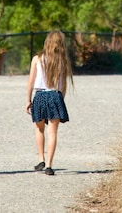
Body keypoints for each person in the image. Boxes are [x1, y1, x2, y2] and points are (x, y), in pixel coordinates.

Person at [25, 30, 73, 176]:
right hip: (55, 95)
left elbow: (31, 82)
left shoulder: (37, 59)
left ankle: (41, 158)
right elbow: (63, 85)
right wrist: (60, 99)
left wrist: (28, 100)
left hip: (39, 95)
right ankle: (50, 166)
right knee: (52, 132)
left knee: (39, 129)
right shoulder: (62, 61)